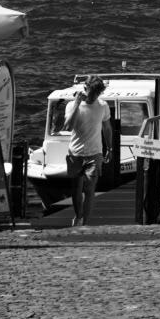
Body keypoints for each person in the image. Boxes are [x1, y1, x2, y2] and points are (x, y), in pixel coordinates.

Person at [64, 75, 111, 227]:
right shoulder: (71, 106)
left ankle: (85, 225)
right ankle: (78, 216)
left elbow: (107, 128)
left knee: (89, 189)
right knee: (76, 188)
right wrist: (77, 104)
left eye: (97, 94)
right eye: (92, 93)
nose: (94, 97)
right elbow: (68, 127)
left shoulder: (103, 106)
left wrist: (109, 147)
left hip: (95, 153)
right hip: (75, 153)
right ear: (85, 89)